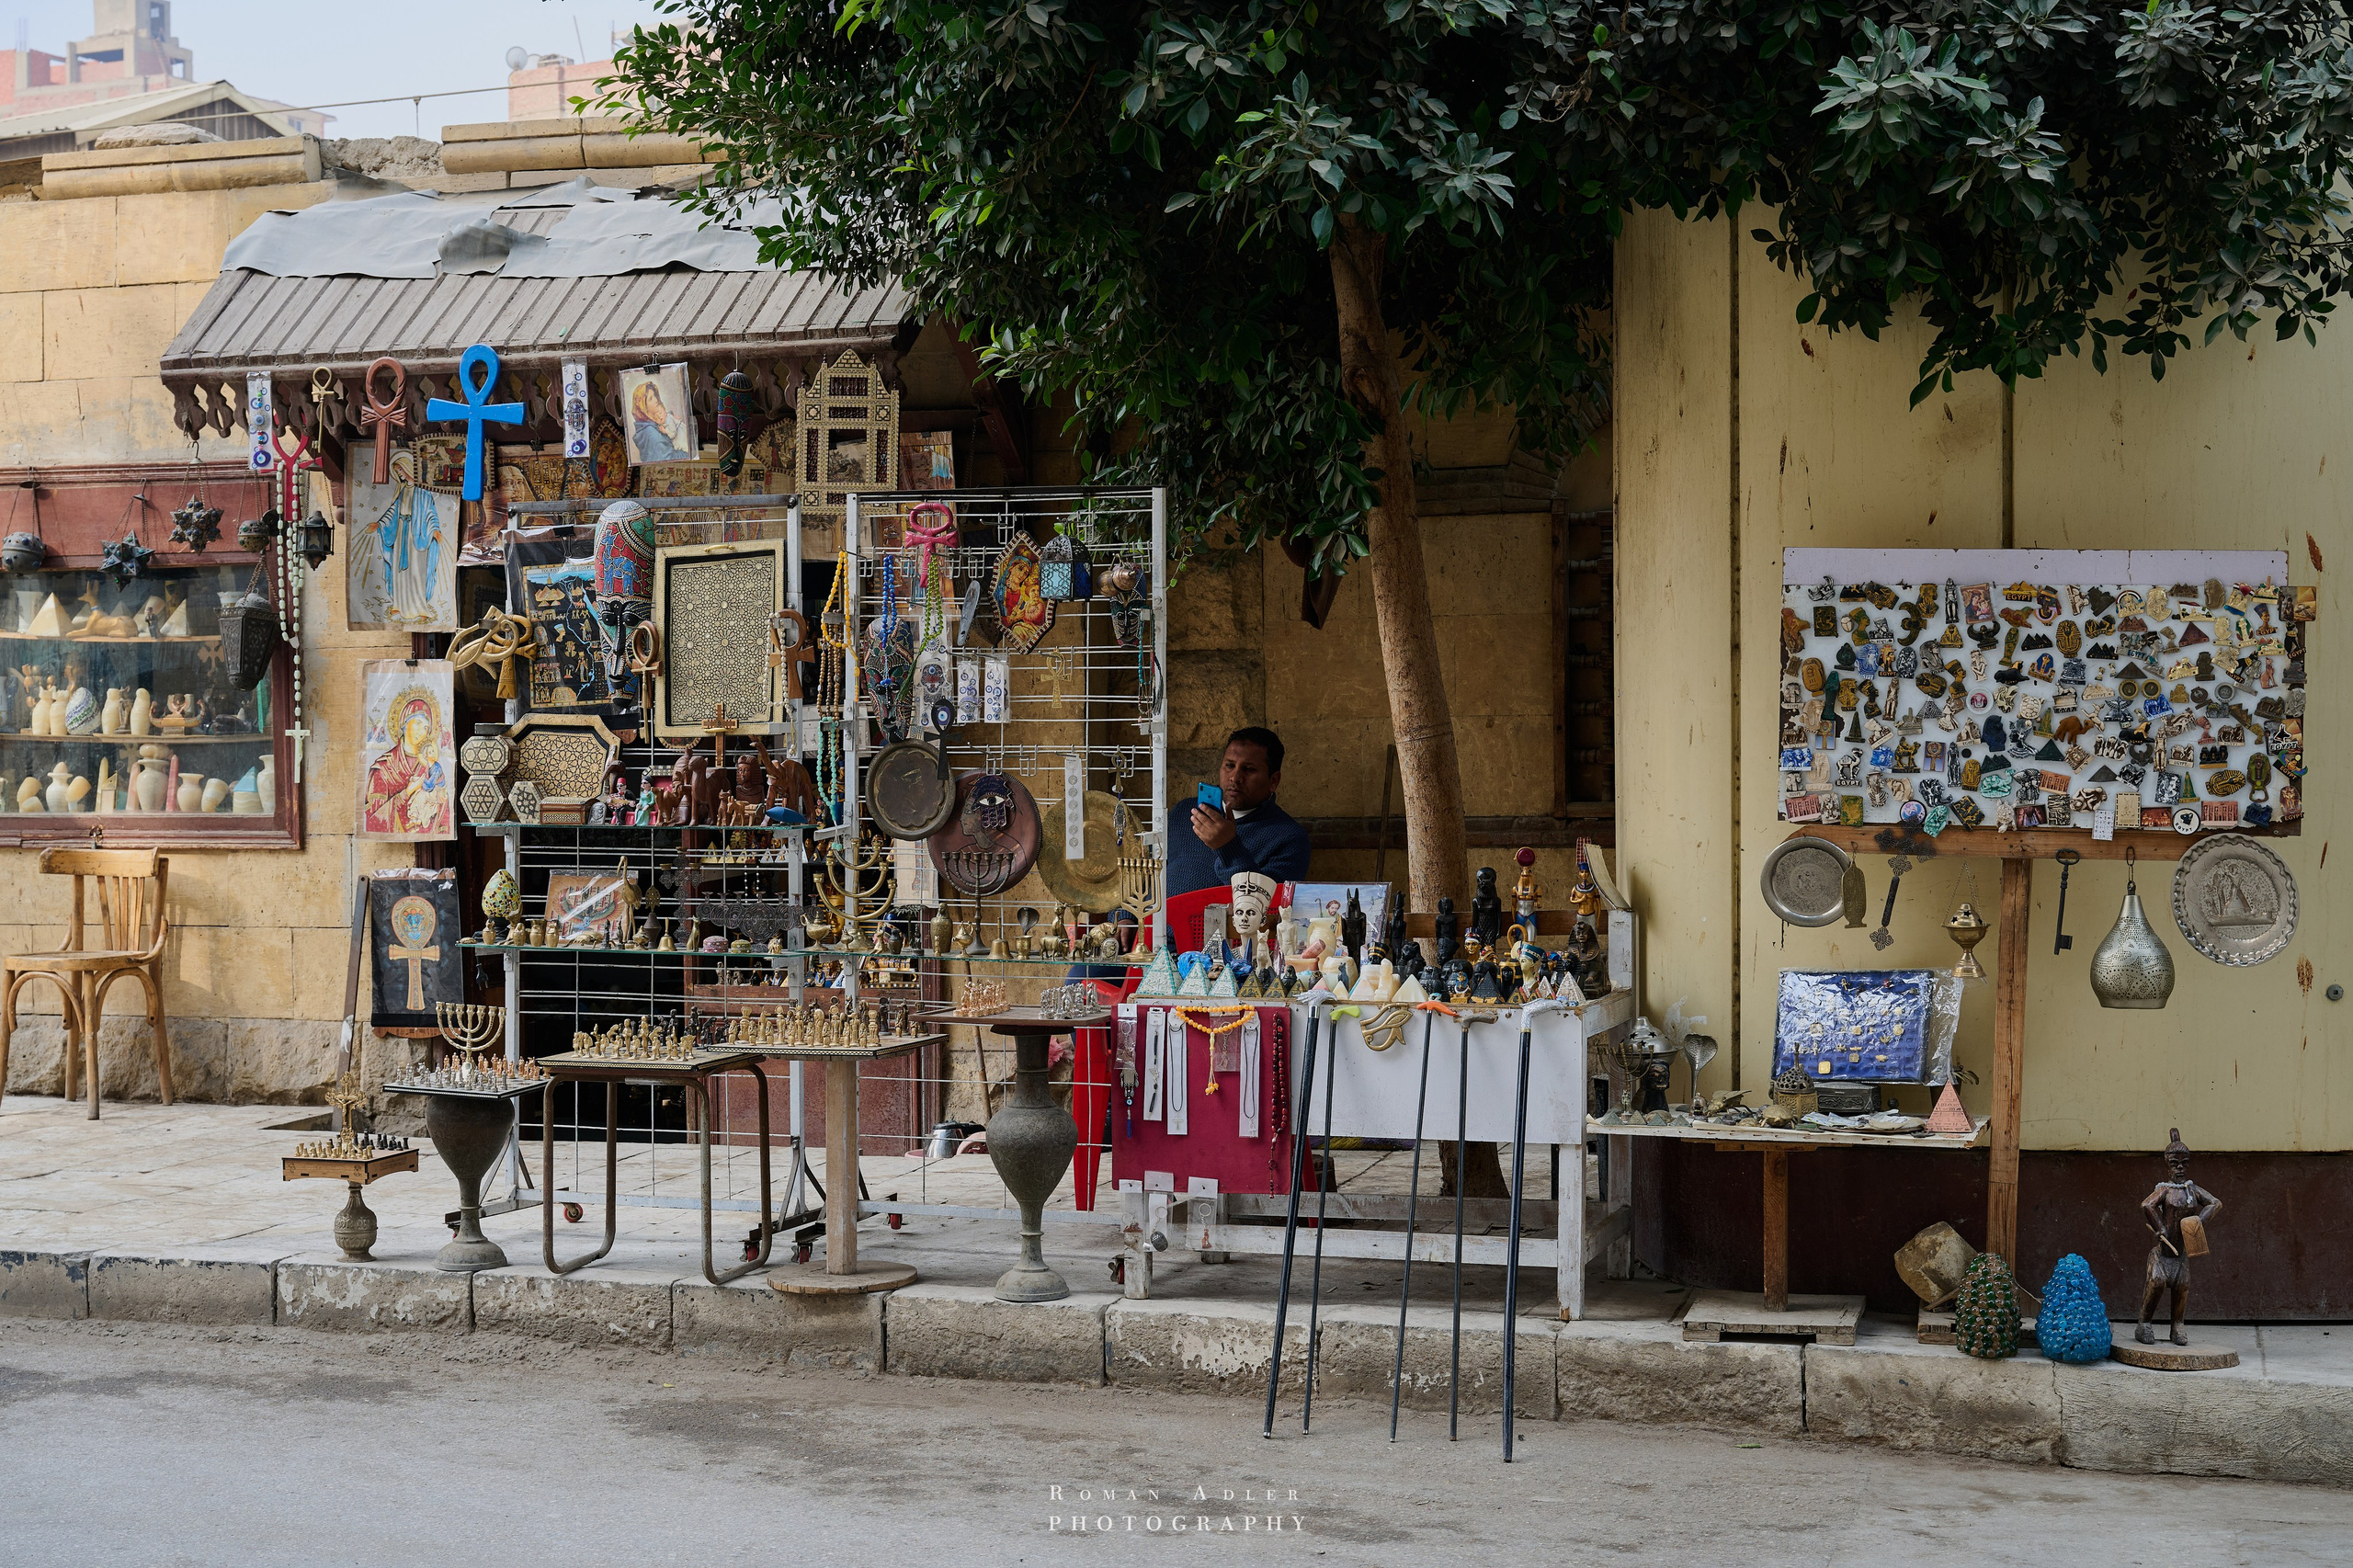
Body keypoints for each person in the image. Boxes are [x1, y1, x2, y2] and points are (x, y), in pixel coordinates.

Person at [1166, 726, 1312, 899]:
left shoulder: (1290, 839)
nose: (1235, 778)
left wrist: (1227, 847)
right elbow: (1150, 869)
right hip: (1151, 925)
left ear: (1273, 781)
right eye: (1229, 765)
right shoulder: (1186, 811)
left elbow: (1265, 905)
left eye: (1249, 769)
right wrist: (1127, 916)